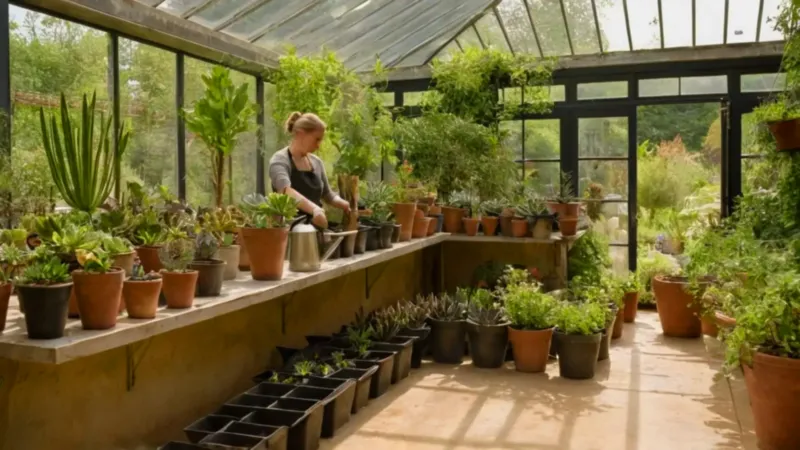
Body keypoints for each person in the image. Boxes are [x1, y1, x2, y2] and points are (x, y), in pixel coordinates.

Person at [268, 112, 350, 229]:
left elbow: (327, 195)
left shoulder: (316, 162)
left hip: (316, 226)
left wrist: (345, 205)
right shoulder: (280, 160)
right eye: (317, 139)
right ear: (301, 134)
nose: (318, 145)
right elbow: (285, 191)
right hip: (289, 229)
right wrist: (315, 209)